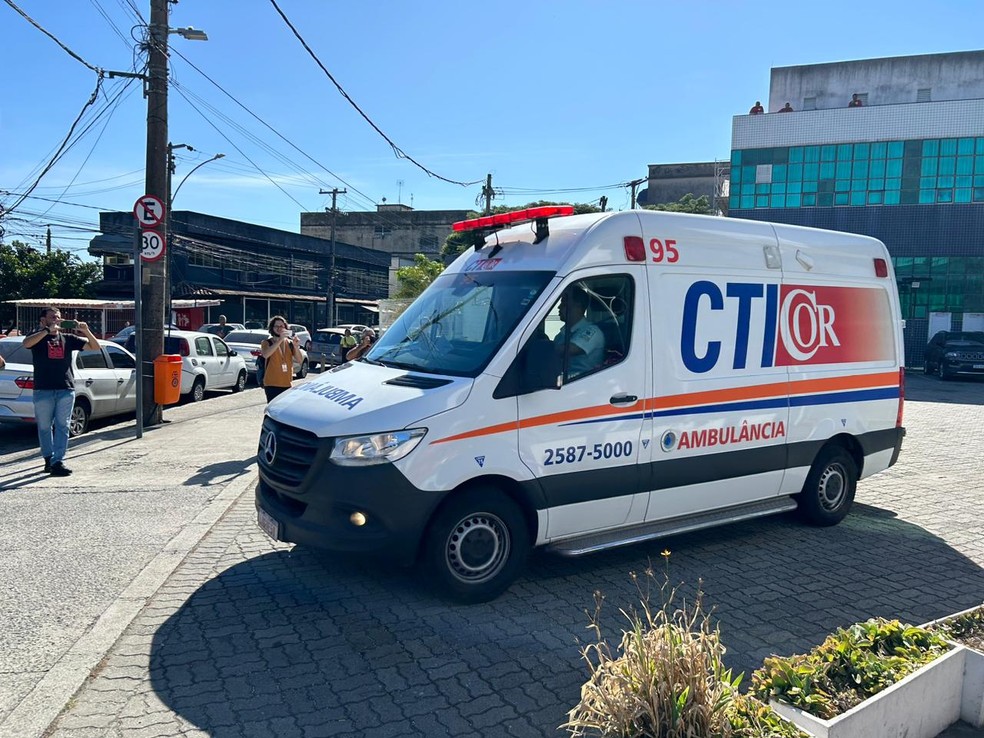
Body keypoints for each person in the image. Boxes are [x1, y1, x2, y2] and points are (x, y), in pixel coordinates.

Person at [21, 307, 99, 475]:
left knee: (63, 426)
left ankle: (58, 461)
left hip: (65, 388)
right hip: (43, 389)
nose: (56, 319)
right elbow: (26, 344)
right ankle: (48, 459)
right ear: (43, 320)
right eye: (52, 317)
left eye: (58, 316)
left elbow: (95, 346)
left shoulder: (68, 338)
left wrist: (86, 330)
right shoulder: (37, 337)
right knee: (44, 427)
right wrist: (46, 331)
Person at [553, 286, 604, 378]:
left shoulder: (592, 331)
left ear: (578, 305)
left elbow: (568, 350)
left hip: (583, 383)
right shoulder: (561, 334)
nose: (559, 307)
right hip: (562, 382)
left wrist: (542, 348)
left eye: (564, 303)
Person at [259, 315, 301, 403]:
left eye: (281, 326)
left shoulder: (289, 343)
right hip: (271, 384)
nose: (279, 328)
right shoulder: (267, 342)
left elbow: (300, 360)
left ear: (286, 328)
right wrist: (280, 340)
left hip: (286, 384)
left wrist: (296, 347)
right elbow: (266, 354)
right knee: (273, 410)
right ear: (272, 328)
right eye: (276, 326)